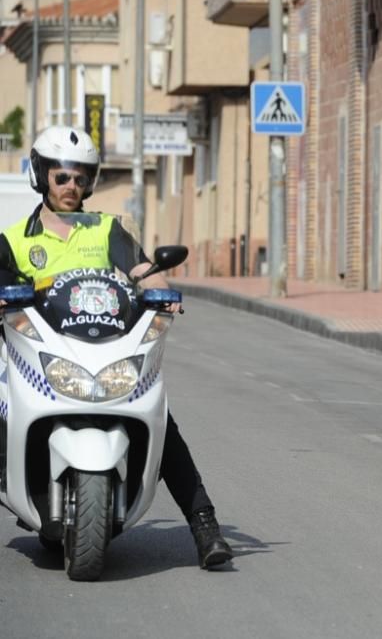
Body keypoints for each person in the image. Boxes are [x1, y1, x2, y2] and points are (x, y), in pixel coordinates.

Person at [0, 126, 233, 569]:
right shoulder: (14, 241)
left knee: (159, 419)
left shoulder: (108, 231)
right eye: (62, 177)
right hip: (39, 352)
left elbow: (144, 271)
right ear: (42, 175)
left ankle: (205, 526)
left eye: (81, 178)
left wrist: (161, 289)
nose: (72, 186)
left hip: (103, 351)